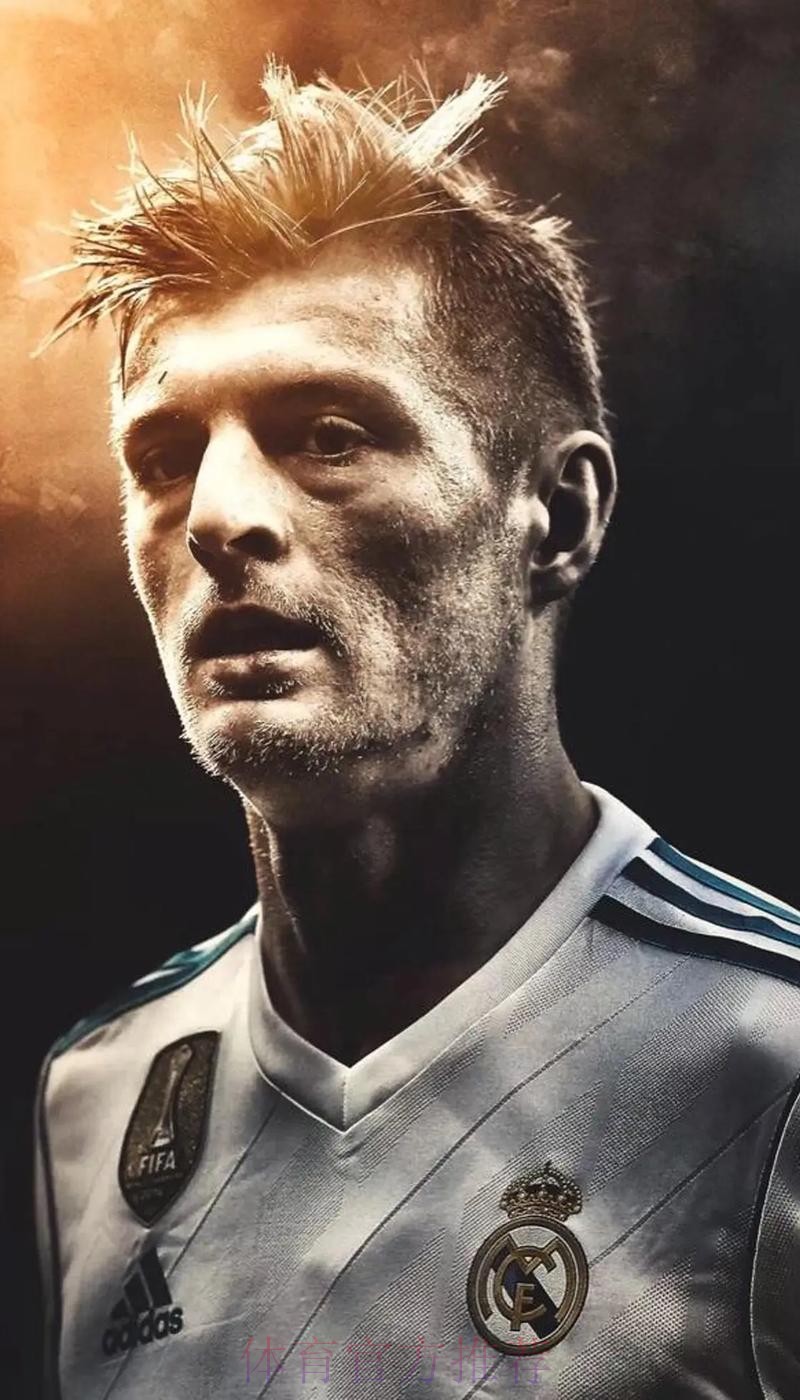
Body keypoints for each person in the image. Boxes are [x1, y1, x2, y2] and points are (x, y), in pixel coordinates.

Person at [34, 60, 800, 1400]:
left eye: (328, 434)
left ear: (556, 517)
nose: (214, 515)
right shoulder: (96, 1097)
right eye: (163, 458)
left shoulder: (772, 1060)